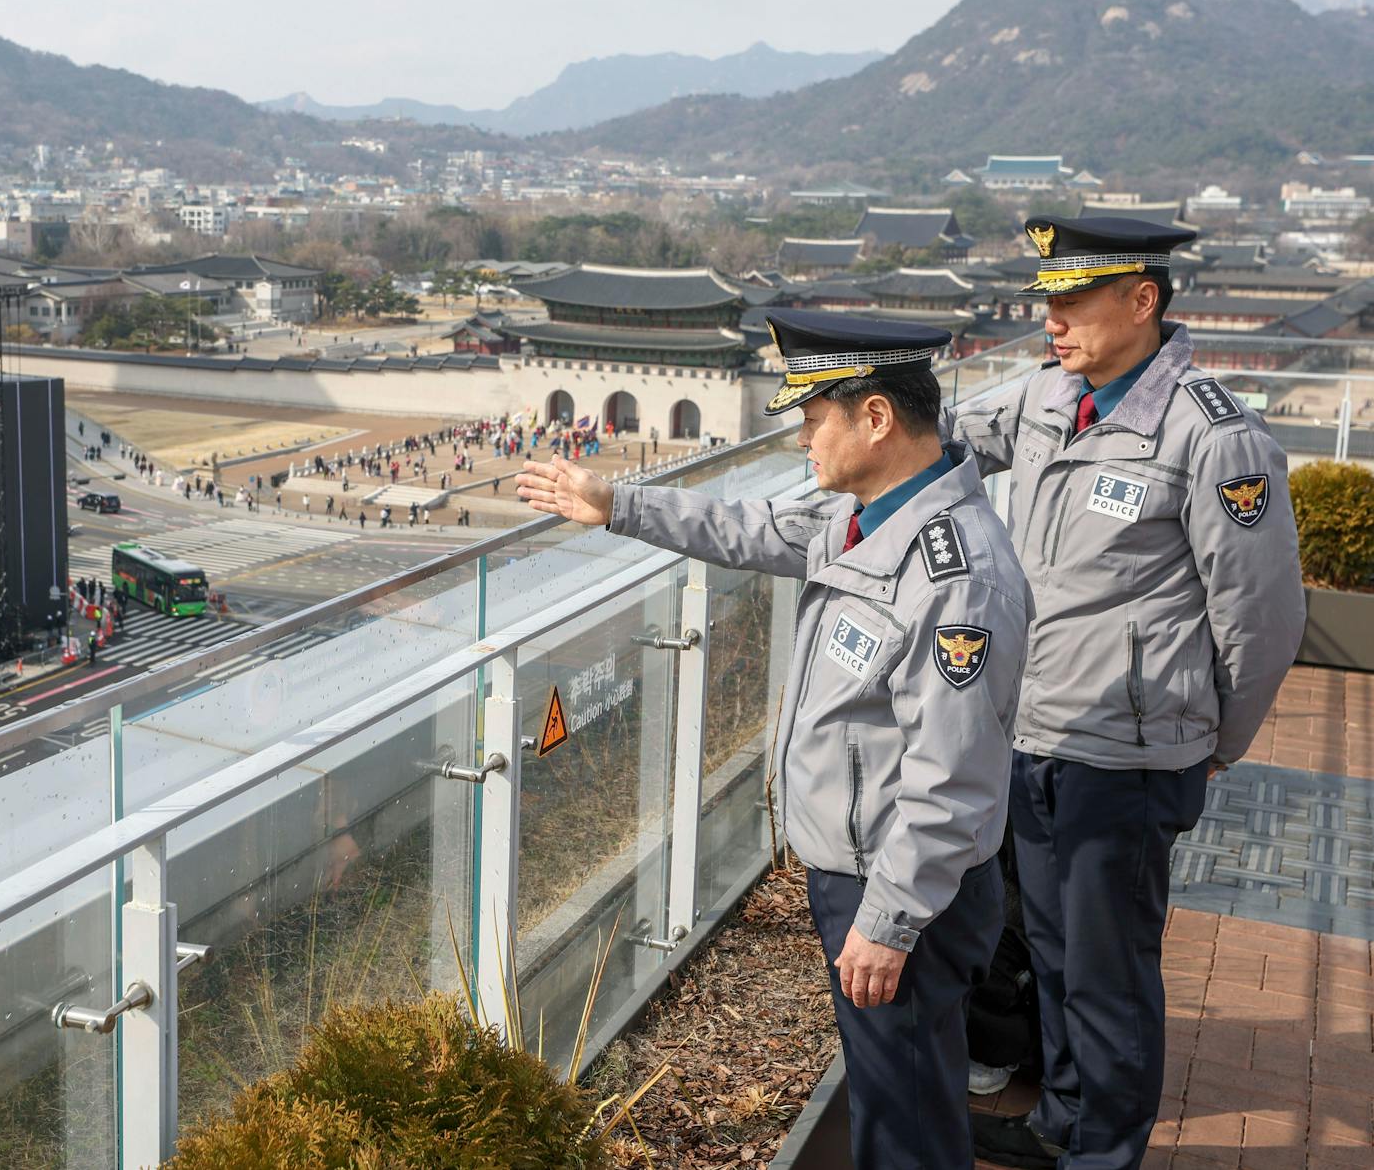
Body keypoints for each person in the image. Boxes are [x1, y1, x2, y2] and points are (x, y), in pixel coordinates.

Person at [519, 310, 1032, 1170]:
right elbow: (753, 530)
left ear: (875, 417)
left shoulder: (955, 575)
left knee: (905, 1114)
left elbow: (954, 778)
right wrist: (618, 505)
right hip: (865, 871)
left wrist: (890, 919)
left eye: (811, 417)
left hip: (899, 884)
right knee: (892, 1095)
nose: (801, 438)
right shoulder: (871, 518)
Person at [955, 218, 1304, 1170]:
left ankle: (1103, 1153)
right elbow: (937, 435)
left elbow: (1263, 616)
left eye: (1071, 302)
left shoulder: (1212, 435)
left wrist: (1211, 739)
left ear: (1142, 301)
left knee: (1109, 976)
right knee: (1062, 958)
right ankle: (1061, 1121)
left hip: (1130, 753)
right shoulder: (1044, 399)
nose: (1051, 322)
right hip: (1038, 732)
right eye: (1047, 303)